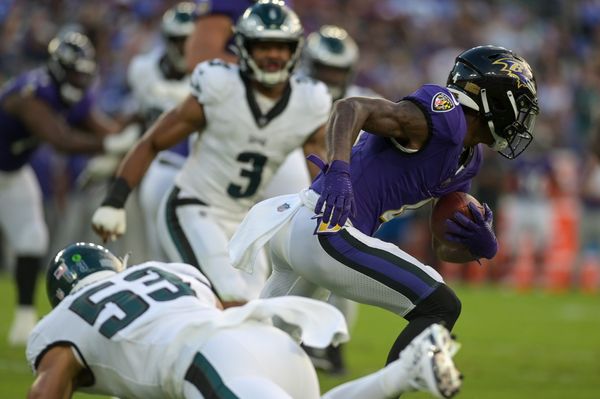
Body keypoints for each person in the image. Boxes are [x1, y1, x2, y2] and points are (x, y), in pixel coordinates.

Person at [230, 44, 539, 386]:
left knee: (265, 356)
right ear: (493, 98)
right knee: (441, 306)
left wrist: (479, 244)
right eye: (519, 104)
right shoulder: (445, 116)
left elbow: (443, 248)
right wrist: (339, 171)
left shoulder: (469, 158)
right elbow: (351, 108)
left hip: (305, 233)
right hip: (329, 229)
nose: (521, 118)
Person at [91, 0, 331, 308]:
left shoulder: (309, 101)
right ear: (243, 48)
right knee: (230, 301)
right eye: (264, 46)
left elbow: (320, 172)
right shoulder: (219, 85)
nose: (274, 56)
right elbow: (152, 142)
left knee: (258, 310)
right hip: (193, 207)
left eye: (282, 47)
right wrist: (115, 200)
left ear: (295, 50)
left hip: (245, 220)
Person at [27, 242, 461, 399]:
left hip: (208, 361)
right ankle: (404, 370)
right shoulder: (167, 273)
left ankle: (406, 371)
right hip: (268, 345)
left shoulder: (67, 320)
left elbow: (49, 388)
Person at [0, 30, 137, 345]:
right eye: (74, 72)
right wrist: (112, 143)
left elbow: (108, 130)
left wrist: (135, 128)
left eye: (83, 73)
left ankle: (23, 322)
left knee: (32, 238)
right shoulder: (30, 93)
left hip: (12, 174)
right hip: (9, 170)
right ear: (59, 68)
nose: (79, 79)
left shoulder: (71, 95)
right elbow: (60, 140)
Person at [128, 2, 198, 261]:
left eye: (190, 39)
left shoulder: (211, 75)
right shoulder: (143, 69)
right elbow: (139, 119)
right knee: (156, 252)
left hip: (198, 173)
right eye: (179, 40)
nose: (184, 47)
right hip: (158, 165)